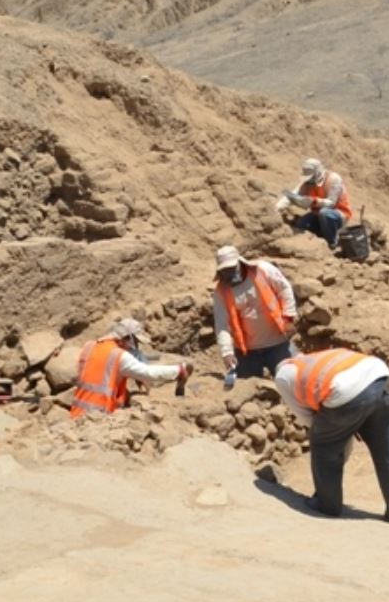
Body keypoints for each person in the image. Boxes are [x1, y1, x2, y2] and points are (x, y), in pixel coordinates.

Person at [274, 347, 389, 524]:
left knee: (323, 445)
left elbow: (309, 420)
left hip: (345, 392)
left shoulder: (283, 376)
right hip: (381, 377)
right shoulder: (317, 358)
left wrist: (340, 438)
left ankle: (327, 504)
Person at [70, 317, 192, 417]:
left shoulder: (90, 346)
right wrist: (178, 370)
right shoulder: (119, 356)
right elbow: (148, 373)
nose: (135, 347)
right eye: (136, 342)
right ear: (126, 338)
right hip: (97, 416)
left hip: (77, 414)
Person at [211, 245, 298, 382]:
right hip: (247, 352)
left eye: (231, 269)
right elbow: (222, 325)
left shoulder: (262, 270)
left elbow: (284, 289)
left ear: (240, 263)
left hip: (277, 343)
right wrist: (226, 352)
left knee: (294, 381)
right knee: (248, 389)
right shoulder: (221, 292)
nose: (229, 274)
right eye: (225, 271)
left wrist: (288, 318)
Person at [284, 158, 353, 248]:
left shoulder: (333, 179)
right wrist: (278, 207)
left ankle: (332, 242)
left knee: (324, 213)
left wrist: (314, 201)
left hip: (339, 214)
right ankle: (320, 238)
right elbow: (294, 194)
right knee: (301, 224)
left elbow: (331, 203)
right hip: (318, 214)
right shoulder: (307, 182)